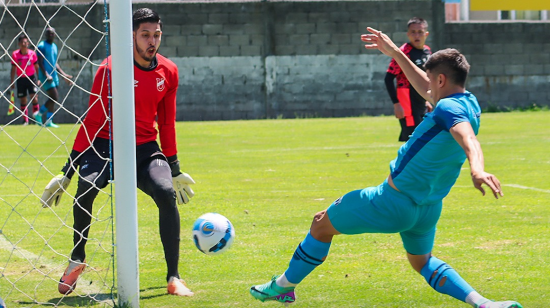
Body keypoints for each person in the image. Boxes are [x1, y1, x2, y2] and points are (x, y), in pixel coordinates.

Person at [249, 27, 523, 308]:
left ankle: (282, 287)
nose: (428, 86)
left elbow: (468, 139)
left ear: (440, 79)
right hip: (428, 209)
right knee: (422, 261)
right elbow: (433, 94)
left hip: (391, 202)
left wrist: (477, 169)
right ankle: (484, 303)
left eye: (431, 79)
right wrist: (396, 53)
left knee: (321, 224)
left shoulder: (447, 110)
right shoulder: (467, 102)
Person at [39, 8, 196, 297]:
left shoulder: (168, 72)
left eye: (157, 35)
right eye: (145, 35)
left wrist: (173, 168)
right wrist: (67, 171)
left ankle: (173, 277)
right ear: (132, 36)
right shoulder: (109, 69)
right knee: (86, 187)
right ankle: (77, 258)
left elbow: (166, 123)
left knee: (165, 192)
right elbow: (92, 121)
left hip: (145, 149)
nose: (152, 41)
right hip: (104, 145)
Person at [385, 17, 433, 142]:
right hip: (407, 104)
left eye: (420, 32)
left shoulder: (427, 51)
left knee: (423, 140)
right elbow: (388, 78)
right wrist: (396, 104)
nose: (416, 35)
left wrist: (427, 100)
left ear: (426, 34)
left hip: (421, 103)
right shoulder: (403, 52)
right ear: (408, 34)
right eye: (413, 32)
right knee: (413, 140)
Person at [36, 27, 73, 127]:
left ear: (55, 35)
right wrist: (46, 74)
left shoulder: (55, 46)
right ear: (45, 34)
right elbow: (40, 62)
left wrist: (64, 75)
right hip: (45, 76)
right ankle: (38, 114)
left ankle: (49, 121)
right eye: (48, 33)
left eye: (52, 33)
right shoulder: (41, 46)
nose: (50, 35)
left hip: (54, 76)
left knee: (53, 98)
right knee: (54, 97)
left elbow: (55, 63)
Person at [10, 34, 41, 125]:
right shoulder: (15, 54)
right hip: (21, 79)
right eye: (23, 42)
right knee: (23, 100)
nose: (25, 44)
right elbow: (13, 69)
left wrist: (39, 79)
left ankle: (36, 119)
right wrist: (12, 81)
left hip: (31, 78)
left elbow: (36, 67)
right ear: (19, 44)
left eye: (26, 42)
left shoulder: (32, 53)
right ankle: (25, 120)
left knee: (34, 98)